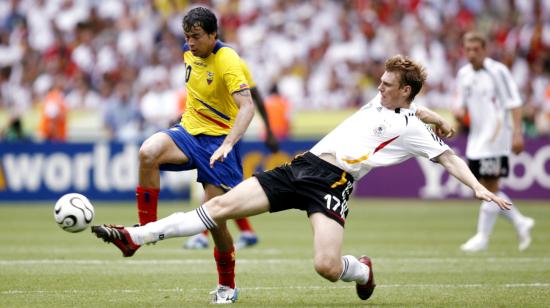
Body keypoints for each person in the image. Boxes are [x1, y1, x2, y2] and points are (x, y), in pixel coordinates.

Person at [92, 55, 512, 302]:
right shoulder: (390, 103)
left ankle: (362, 271)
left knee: (326, 267)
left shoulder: (413, 129)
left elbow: (449, 158)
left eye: (387, 85)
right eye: (381, 83)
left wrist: (476, 187)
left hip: (334, 184)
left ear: (405, 90)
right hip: (302, 166)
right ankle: (135, 237)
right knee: (218, 207)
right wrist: (434, 112)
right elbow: (417, 108)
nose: (379, 88)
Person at [131, 7, 257, 304]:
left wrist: (228, 143)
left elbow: (247, 107)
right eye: (187, 36)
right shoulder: (190, 52)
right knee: (147, 152)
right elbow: (199, 94)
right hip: (189, 133)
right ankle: (147, 228)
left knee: (215, 222)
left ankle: (227, 286)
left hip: (218, 145)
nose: (191, 42)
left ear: (214, 34)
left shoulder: (227, 59)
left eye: (197, 36)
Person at [183, 59, 279, 250]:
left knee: (218, 183)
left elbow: (255, 96)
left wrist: (268, 130)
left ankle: (203, 234)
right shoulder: (200, 62)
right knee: (222, 185)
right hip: (212, 130)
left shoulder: (233, 62)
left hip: (229, 131)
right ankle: (246, 232)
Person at [454, 32, 535, 252]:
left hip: (496, 136)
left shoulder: (498, 71)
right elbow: (461, 104)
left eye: (475, 49)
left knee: (489, 187)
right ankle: (520, 221)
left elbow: (514, 103)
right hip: (476, 139)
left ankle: (482, 237)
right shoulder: (463, 74)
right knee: (482, 189)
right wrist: (459, 113)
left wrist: (517, 133)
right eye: (467, 49)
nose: (471, 54)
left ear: (484, 49)